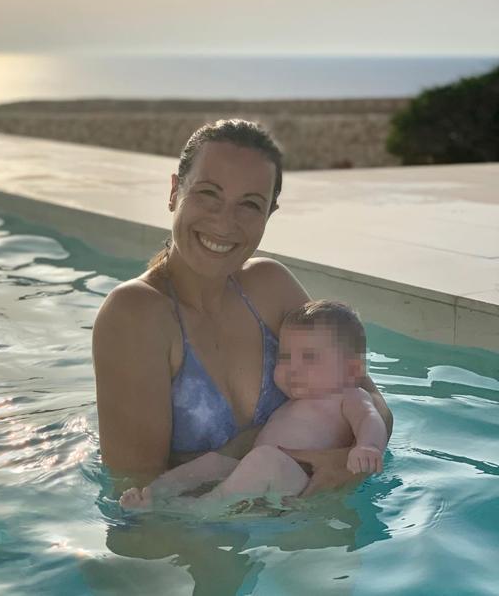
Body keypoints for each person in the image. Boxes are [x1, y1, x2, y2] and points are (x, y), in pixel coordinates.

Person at [92, 119, 393, 498]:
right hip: (196, 539)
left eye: (250, 204)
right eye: (208, 193)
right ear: (174, 192)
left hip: (305, 525)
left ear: (270, 212)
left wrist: (347, 461)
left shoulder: (271, 286)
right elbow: (133, 492)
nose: (225, 221)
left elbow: (373, 401)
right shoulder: (137, 314)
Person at [119, 300, 388, 510]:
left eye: (309, 357)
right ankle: (155, 493)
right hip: (259, 477)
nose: (293, 368)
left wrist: (367, 446)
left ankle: (197, 511)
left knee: (265, 459)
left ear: (352, 370)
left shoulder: (348, 396)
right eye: (284, 356)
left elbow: (369, 418)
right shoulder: (289, 405)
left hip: (299, 484)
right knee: (214, 462)